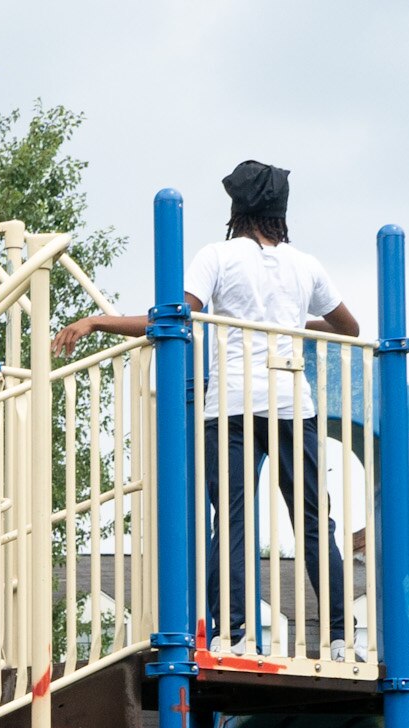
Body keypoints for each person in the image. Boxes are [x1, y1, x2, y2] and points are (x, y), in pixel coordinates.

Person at [54, 160, 361, 655]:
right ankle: (342, 635)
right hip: (290, 402)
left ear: (237, 208)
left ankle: (233, 633)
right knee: (311, 521)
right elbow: (350, 330)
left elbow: (171, 316)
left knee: (234, 519)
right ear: (280, 211)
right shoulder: (307, 266)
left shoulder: (216, 256)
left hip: (233, 404)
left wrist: (97, 322)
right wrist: (298, 328)